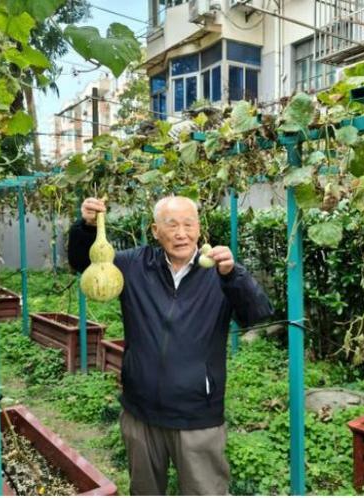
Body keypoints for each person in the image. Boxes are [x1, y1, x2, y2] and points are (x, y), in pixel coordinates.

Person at [68, 195, 273, 496]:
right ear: (155, 230)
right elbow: (84, 262)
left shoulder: (220, 272)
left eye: (189, 224)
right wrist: (86, 226)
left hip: (197, 418)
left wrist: (234, 276)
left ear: (199, 229)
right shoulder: (133, 265)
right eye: (172, 224)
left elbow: (258, 314)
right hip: (141, 415)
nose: (181, 233)